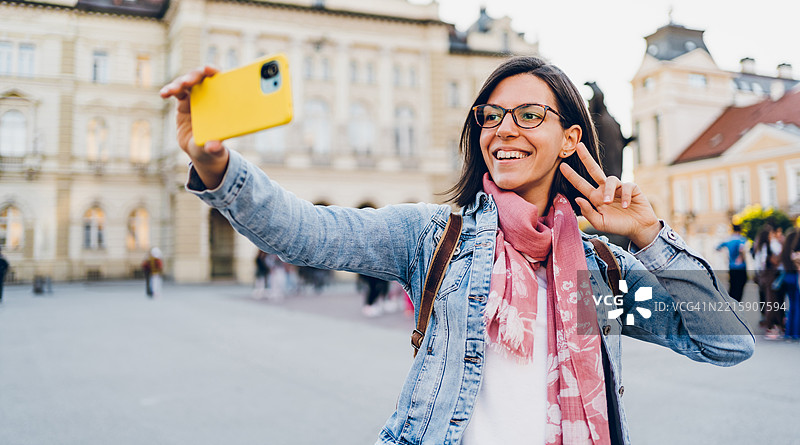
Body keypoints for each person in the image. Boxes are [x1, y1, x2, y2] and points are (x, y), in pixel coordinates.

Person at [162, 56, 754, 445]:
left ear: (570, 137)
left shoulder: (595, 275)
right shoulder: (435, 237)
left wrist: (652, 240)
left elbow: (724, 340)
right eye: (491, 116)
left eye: (529, 115)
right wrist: (216, 165)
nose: (505, 129)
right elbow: (306, 231)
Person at [716, 223, 748, 301]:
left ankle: (730, 304)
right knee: (740, 287)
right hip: (741, 267)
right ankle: (737, 304)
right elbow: (741, 249)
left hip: (731, 266)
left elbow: (717, 247)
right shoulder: (742, 239)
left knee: (732, 286)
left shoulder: (728, 240)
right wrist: (740, 258)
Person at [780, 228, 800, 340]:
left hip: (787, 277)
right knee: (797, 306)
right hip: (796, 278)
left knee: (792, 305)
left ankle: (789, 332)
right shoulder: (797, 253)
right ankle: (797, 333)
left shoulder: (786, 252)